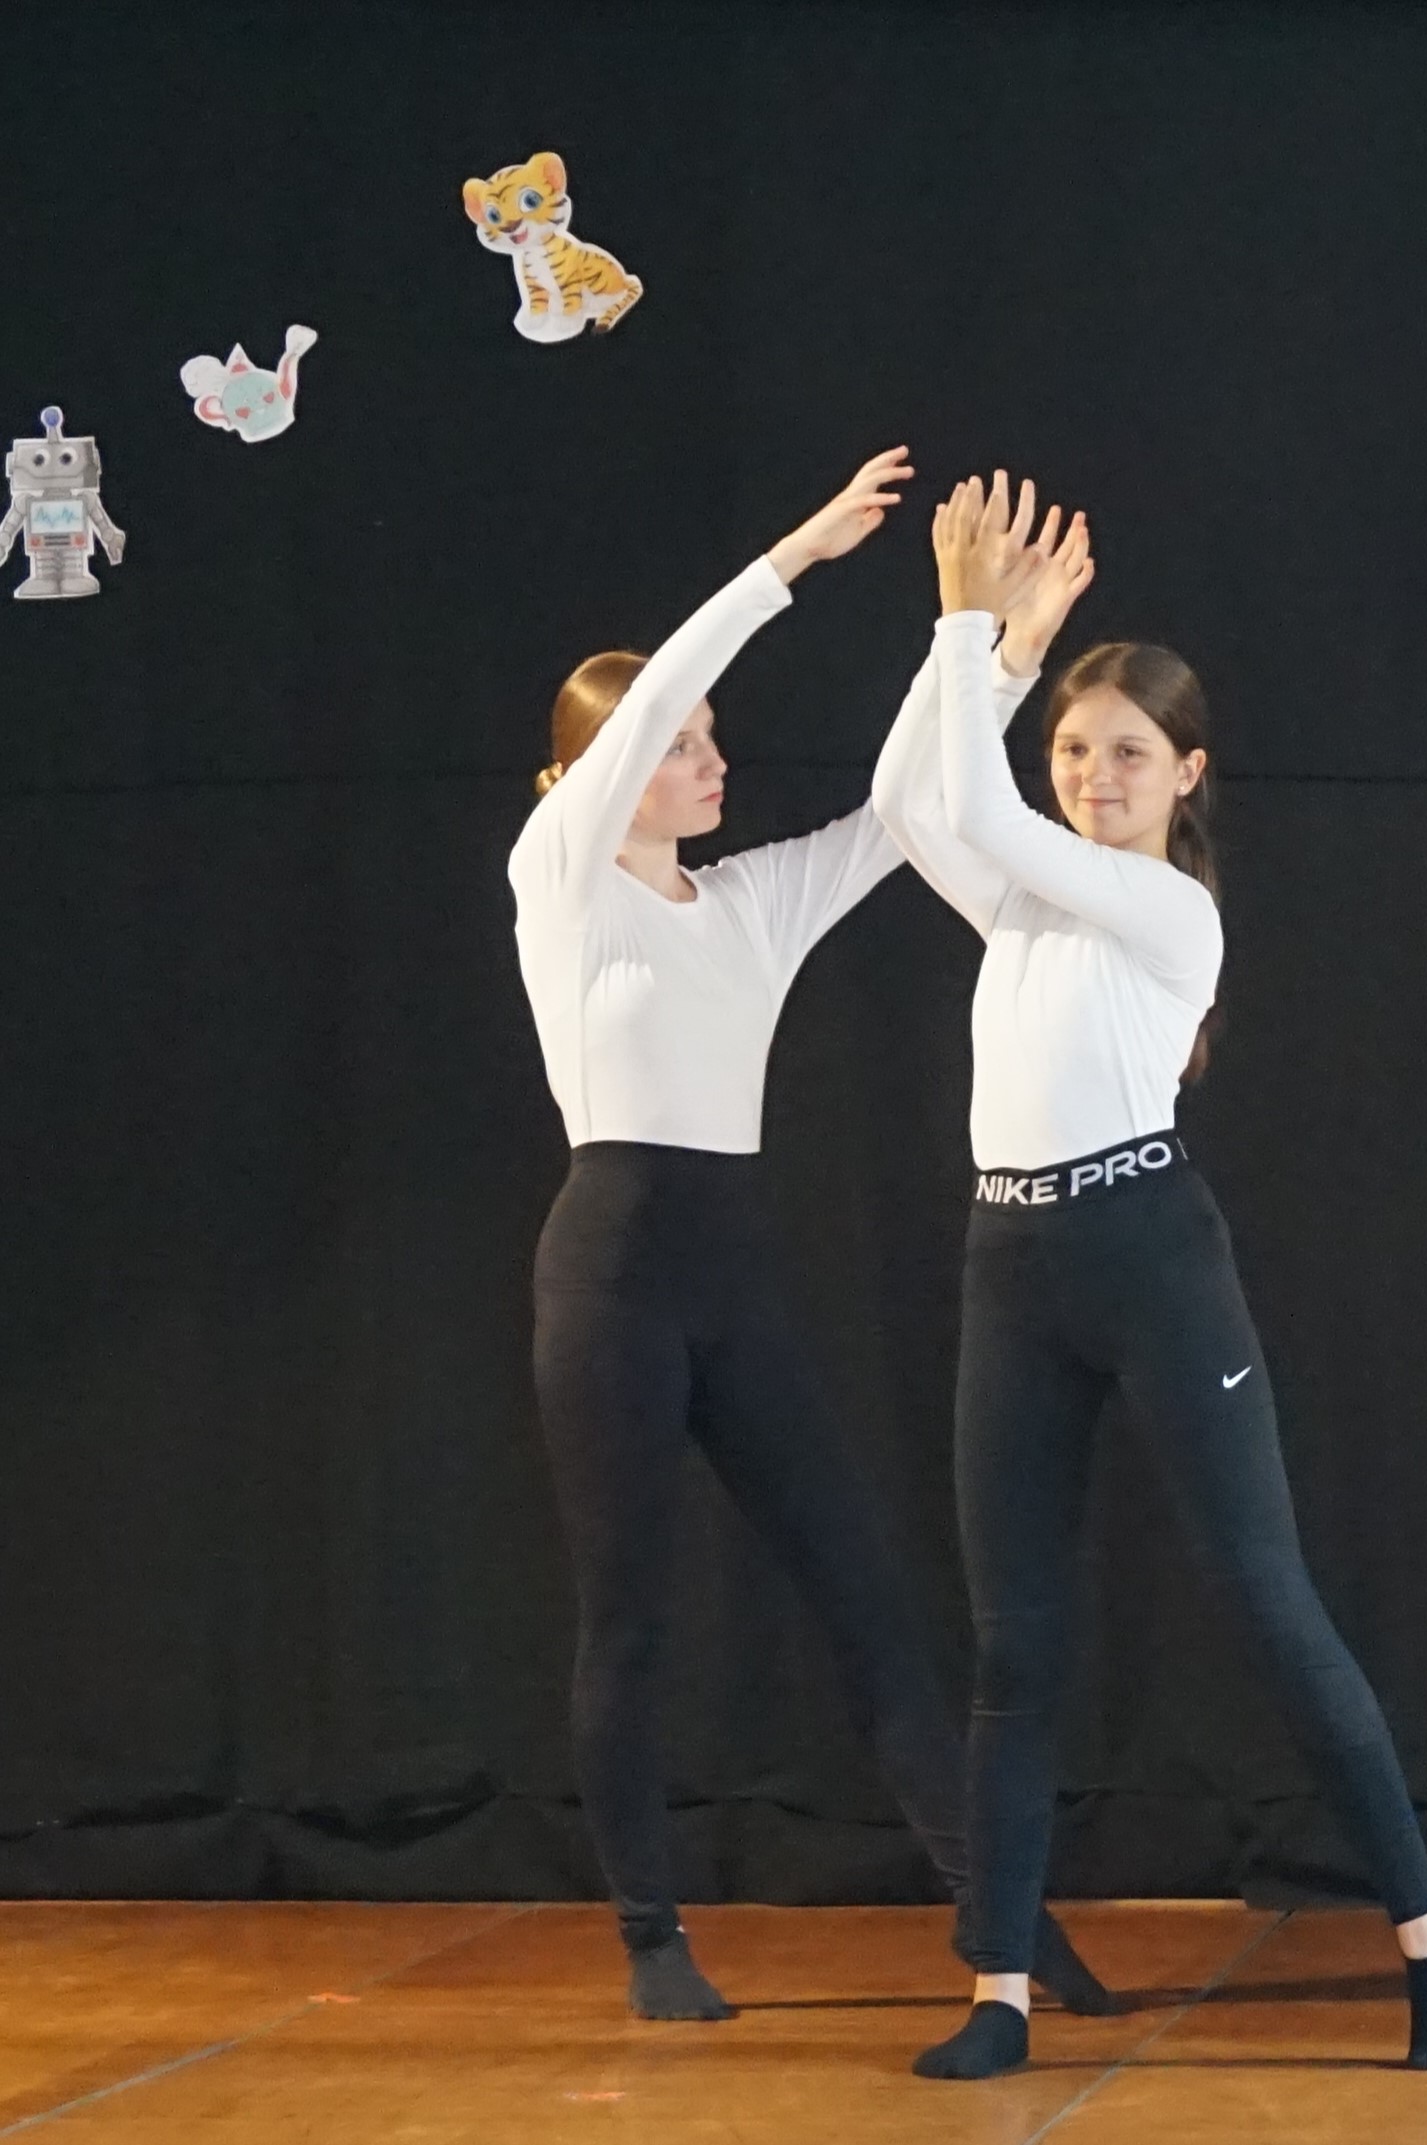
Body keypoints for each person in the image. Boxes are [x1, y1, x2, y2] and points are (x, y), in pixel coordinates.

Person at [875, 479, 1427, 2080]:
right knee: (1015, 1645)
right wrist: (1002, 653)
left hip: (1147, 1256)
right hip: (1011, 1264)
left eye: (1129, 752)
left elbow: (975, 803)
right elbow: (910, 797)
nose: (1096, 775)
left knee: (1268, 1603)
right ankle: (1000, 1988)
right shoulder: (1028, 896)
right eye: (1077, 749)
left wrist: (970, 621)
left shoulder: (1166, 908)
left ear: (1187, 773)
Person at [506, 448, 1111, 2025]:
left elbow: (908, 813)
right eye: (679, 745)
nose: (709, 756)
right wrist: (795, 557)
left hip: (731, 1277)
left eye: (713, 739)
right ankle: (651, 1932)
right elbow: (649, 692)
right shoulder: (562, 882)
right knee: (630, 1614)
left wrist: (996, 648)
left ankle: (1001, 1919)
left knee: (868, 1597)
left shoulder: (751, 904)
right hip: (612, 1279)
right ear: (590, 780)